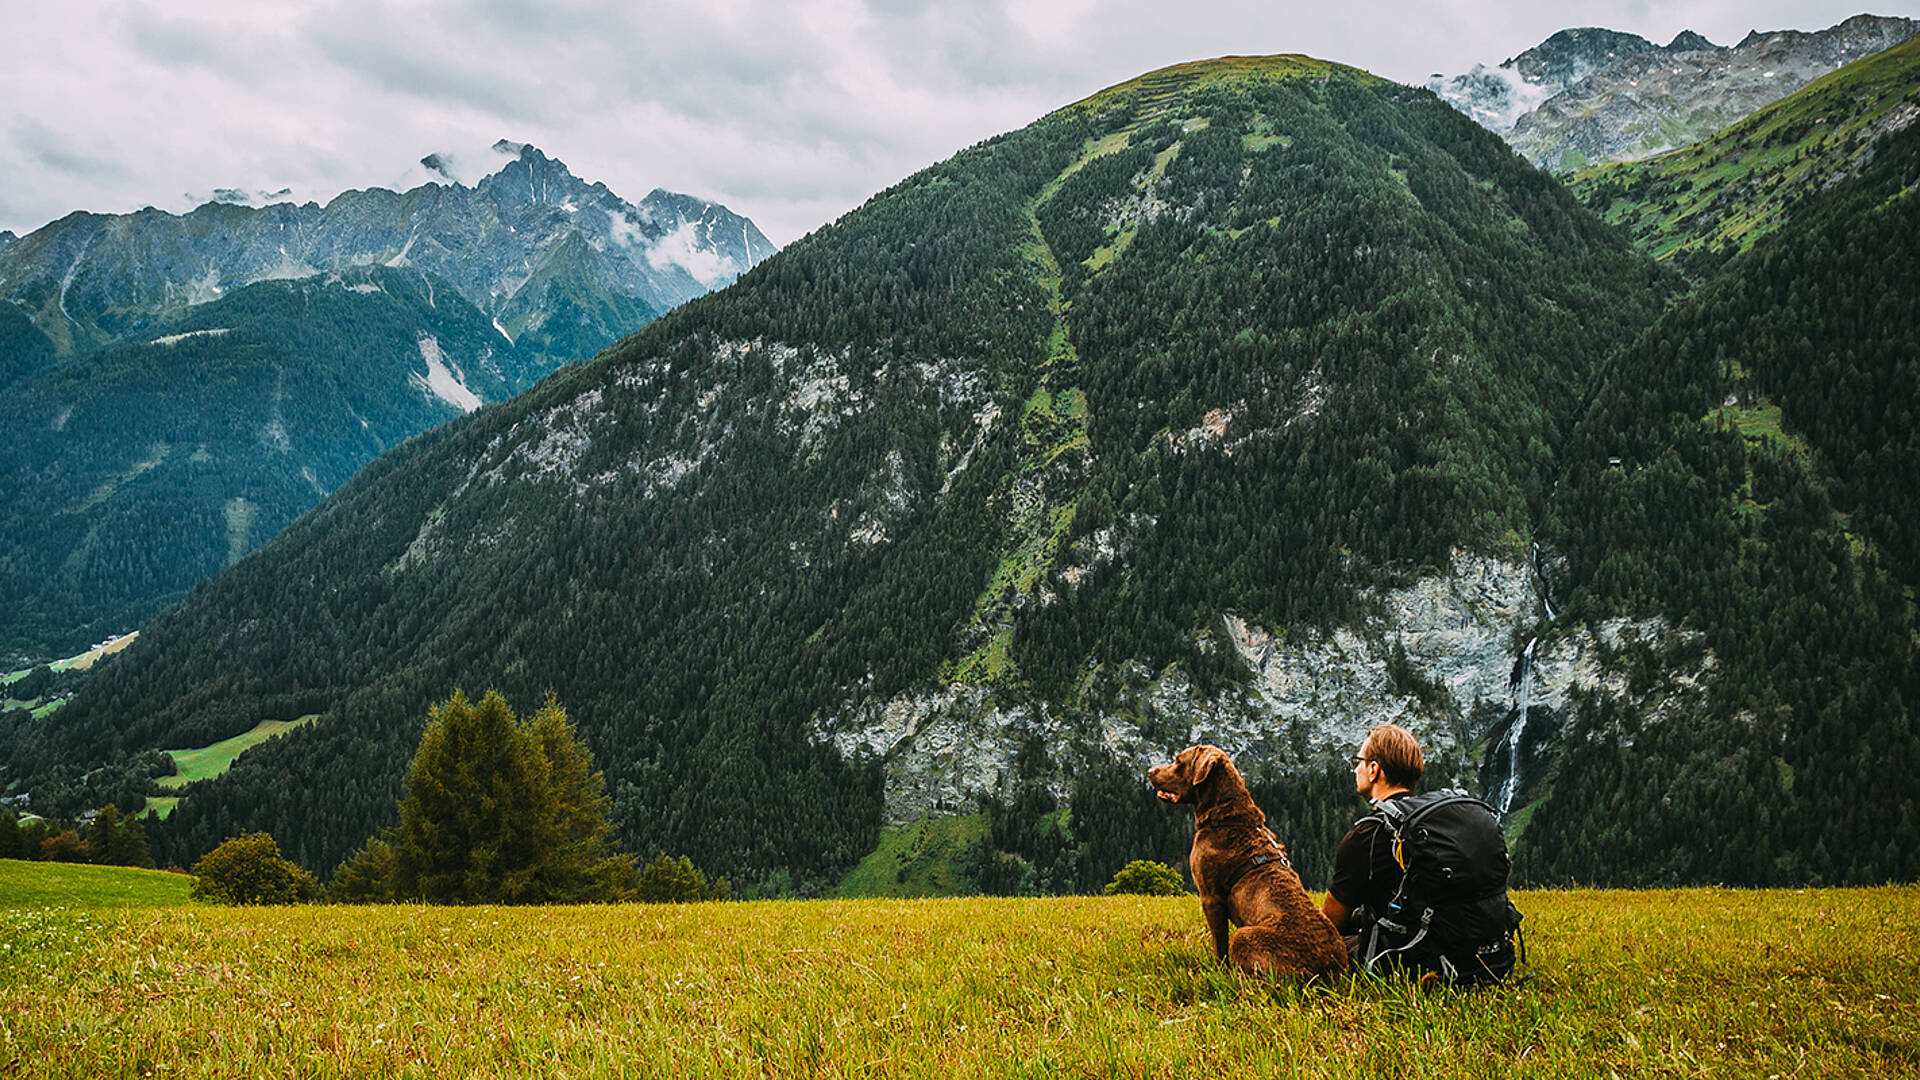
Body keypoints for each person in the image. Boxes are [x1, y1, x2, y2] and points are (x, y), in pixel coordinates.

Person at [1319, 723, 1422, 960]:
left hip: (1408, 954)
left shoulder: (1367, 835)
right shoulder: (1433, 820)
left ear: (1374, 769)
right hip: (1462, 948)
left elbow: (1329, 925)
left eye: (1359, 761)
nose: (1356, 770)